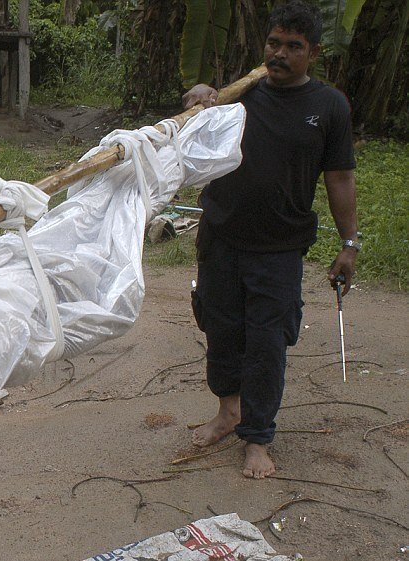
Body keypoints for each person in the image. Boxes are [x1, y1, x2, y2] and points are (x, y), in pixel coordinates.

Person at [181, 0, 358, 479]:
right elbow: (196, 131)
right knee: (220, 328)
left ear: (314, 53)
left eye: (293, 47)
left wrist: (350, 243)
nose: (279, 54)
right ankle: (228, 412)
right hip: (220, 235)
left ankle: (257, 437)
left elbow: (339, 177)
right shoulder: (241, 96)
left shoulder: (328, 107)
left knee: (267, 342)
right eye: (274, 43)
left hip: (279, 248)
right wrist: (202, 97)